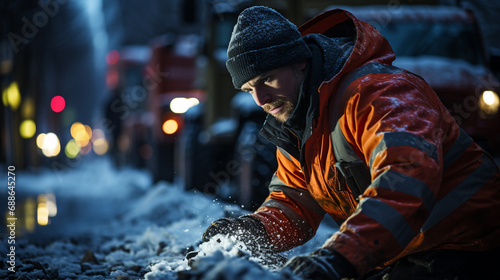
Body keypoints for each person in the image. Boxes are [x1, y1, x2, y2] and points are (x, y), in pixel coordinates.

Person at [202, 6, 500, 279]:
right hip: (400, 253)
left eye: (267, 78)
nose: (260, 99)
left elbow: (404, 179)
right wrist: (253, 230)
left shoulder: (377, 95)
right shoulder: (298, 121)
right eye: (249, 88)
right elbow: (295, 203)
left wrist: (340, 256)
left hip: (467, 247)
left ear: (300, 63)